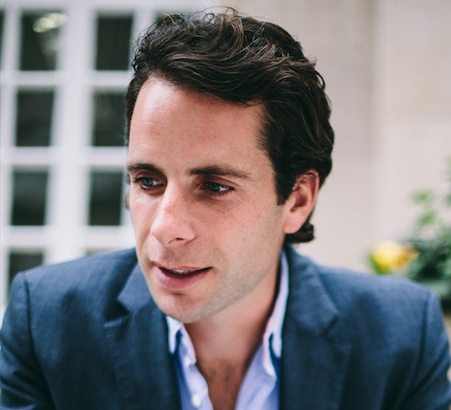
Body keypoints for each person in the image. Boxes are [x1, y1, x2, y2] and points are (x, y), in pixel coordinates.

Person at [1, 8, 450, 410]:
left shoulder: (401, 336)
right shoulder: (47, 322)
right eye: (148, 181)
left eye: (214, 187)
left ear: (297, 199)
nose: (165, 229)